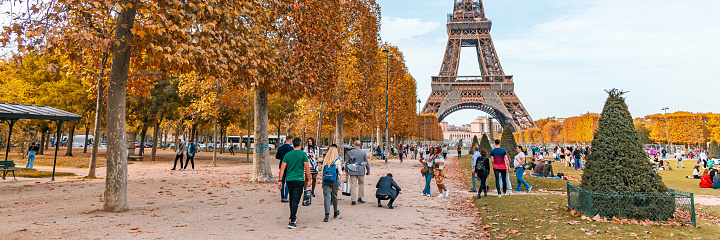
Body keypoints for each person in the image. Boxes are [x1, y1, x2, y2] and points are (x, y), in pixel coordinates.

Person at [277, 138, 312, 229]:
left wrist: (280, 181)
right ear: (300, 144)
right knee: (295, 200)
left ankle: (292, 216)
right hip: (299, 179)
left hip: (289, 179)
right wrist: (309, 180)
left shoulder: (287, 155)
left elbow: (282, 168)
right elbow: (307, 168)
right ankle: (292, 220)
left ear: (293, 145)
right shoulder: (303, 154)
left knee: (292, 198)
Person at [321, 144, 342, 222]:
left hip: (325, 179)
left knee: (326, 196)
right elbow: (340, 172)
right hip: (334, 179)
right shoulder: (337, 161)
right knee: (334, 195)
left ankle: (327, 215)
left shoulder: (325, 160)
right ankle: (335, 211)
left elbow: (322, 171)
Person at [346, 140, 370, 205]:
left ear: (354, 144)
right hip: (361, 170)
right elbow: (366, 162)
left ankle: (353, 200)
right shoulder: (363, 152)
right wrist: (368, 170)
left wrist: (346, 170)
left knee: (353, 184)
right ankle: (360, 197)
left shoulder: (350, 152)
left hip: (352, 170)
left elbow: (347, 162)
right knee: (361, 183)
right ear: (360, 145)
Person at [275, 136, 294, 202]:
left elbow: (277, 156)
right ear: (290, 141)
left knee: (281, 181)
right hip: (289, 166)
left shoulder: (280, 148)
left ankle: (282, 196)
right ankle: (286, 196)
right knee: (287, 182)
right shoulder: (291, 148)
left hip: (282, 165)